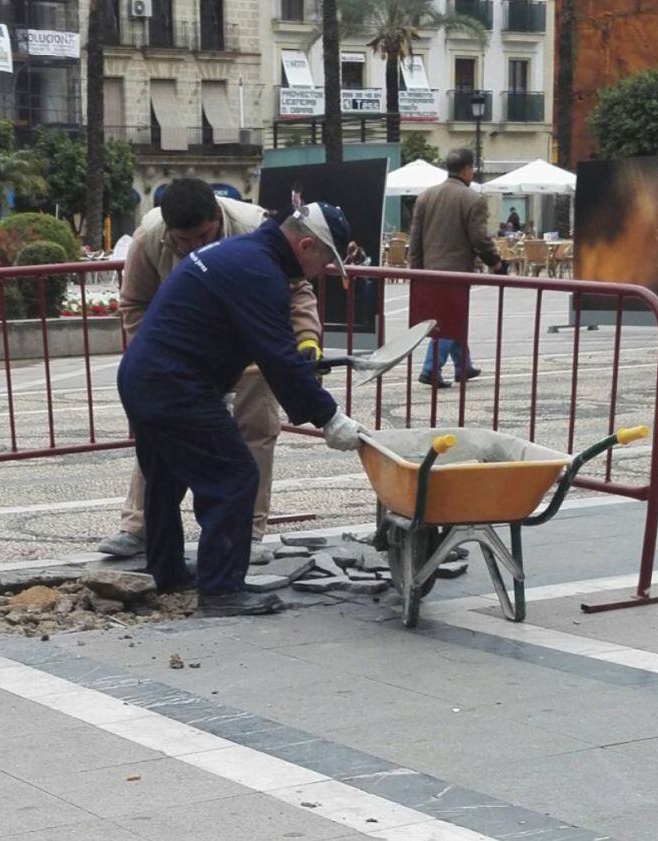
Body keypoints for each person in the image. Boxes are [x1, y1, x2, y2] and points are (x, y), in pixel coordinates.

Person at [117, 203, 364, 616]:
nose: (321, 272)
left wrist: (221, 388)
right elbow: (276, 356)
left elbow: (217, 330)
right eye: (324, 261)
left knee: (164, 479)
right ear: (305, 245)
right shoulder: (259, 271)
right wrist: (330, 418)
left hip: (146, 378)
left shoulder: (241, 254)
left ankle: (168, 571)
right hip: (175, 386)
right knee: (235, 476)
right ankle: (221, 588)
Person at [98, 179, 322, 565]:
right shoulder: (150, 235)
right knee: (163, 435)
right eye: (183, 242)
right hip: (181, 361)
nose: (193, 248)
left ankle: (246, 533)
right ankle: (138, 526)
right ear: (169, 232)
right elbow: (135, 304)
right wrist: (161, 365)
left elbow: (298, 290)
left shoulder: (256, 229)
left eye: (202, 236)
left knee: (254, 436)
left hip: (250, 353)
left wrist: (306, 339)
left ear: (218, 217)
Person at [411, 148, 502, 388]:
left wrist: (414, 270)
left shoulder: (425, 197)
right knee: (450, 320)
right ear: (466, 170)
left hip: (429, 271)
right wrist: (495, 261)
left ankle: (464, 366)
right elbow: (480, 239)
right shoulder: (473, 199)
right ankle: (431, 368)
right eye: (472, 168)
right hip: (456, 271)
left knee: (453, 318)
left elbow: (415, 239)